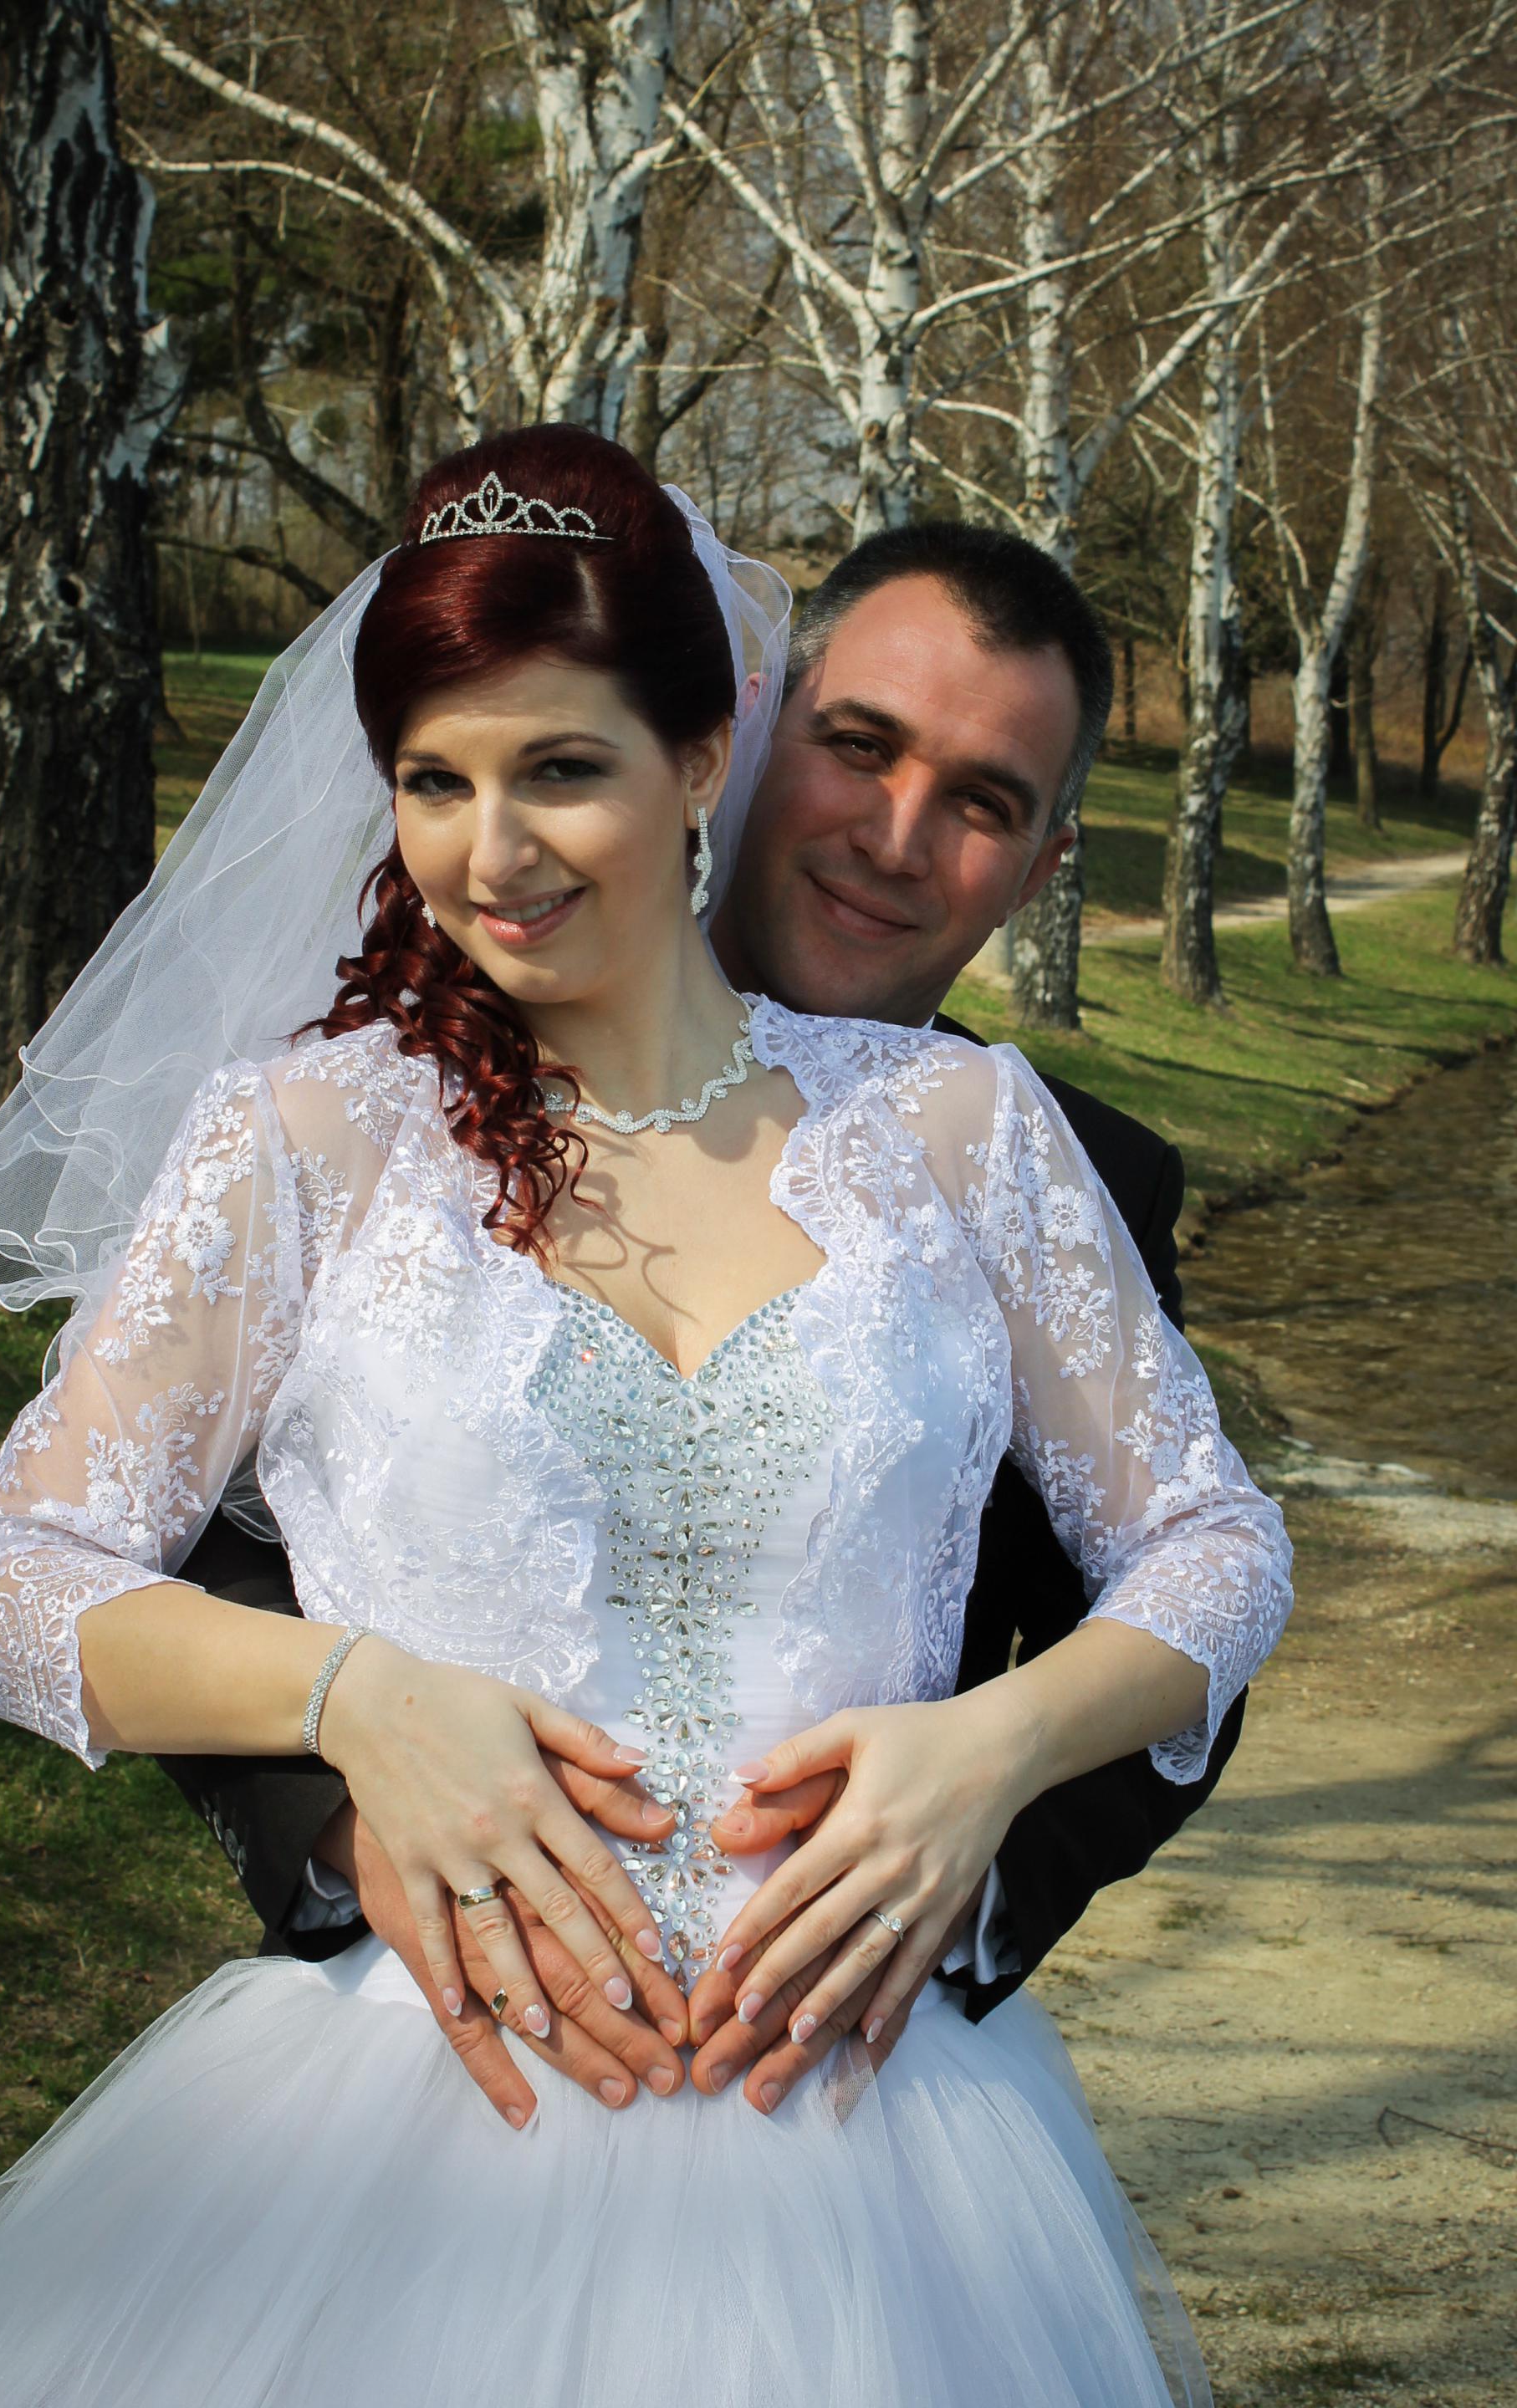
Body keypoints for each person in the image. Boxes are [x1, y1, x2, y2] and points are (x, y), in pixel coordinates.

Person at [0, 426, 1291, 2406]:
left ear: (701, 754)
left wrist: (991, 1750)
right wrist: (353, 1701)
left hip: (872, 2168)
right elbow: (2, 1588)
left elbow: (1217, 1544)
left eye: (560, 769)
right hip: (414, 2135)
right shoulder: (308, 1139)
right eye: (434, 781)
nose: (492, 850)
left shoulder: (966, 1135)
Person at [166, 515, 1233, 2131]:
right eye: (858, 745)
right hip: (438, 2043)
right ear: (736, 737)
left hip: (839, 2079)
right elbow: (181, 1533)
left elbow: (1186, 1586)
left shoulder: (1058, 1165)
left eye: (982, 803)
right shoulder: (361, 1116)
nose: (894, 835)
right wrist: (337, 1807)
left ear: (1040, 868)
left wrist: (972, 1841)